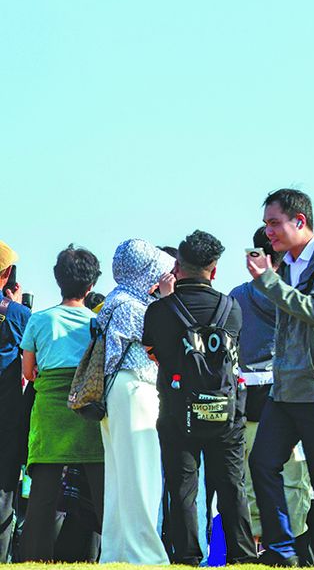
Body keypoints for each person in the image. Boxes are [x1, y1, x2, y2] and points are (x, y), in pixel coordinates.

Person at [247, 188, 314, 567]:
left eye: (274, 224)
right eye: (266, 225)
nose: (269, 233)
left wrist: (269, 282)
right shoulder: (286, 263)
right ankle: (282, 552)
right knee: (262, 462)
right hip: (285, 388)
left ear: (300, 221)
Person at [142, 231, 256, 565]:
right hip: (226, 409)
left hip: (178, 409)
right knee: (232, 485)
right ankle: (243, 556)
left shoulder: (160, 310)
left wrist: (167, 299)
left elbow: (153, 353)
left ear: (177, 266)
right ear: (215, 270)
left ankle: (187, 556)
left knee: (182, 488)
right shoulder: (231, 308)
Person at [18, 245, 105, 561]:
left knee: (43, 493)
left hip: (51, 411)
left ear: (57, 280)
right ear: (91, 284)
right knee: (100, 491)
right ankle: (110, 553)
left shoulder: (39, 320)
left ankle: (32, 558)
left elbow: (28, 371)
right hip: (87, 409)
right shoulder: (96, 323)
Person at [229, 227, 313, 549]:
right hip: (288, 396)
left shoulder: (237, 296)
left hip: (248, 397)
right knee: (292, 476)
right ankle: (292, 541)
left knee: (251, 477)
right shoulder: (295, 294)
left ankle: (259, 543)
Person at [96, 237, 175, 565]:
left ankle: (116, 553)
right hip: (135, 389)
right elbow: (168, 341)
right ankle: (146, 555)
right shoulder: (136, 307)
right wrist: (169, 301)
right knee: (142, 475)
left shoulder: (117, 300)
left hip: (117, 391)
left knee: (119, 480)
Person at [0, 240, 30, 561]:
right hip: (5, 413)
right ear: (7, 272)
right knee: (4, 489)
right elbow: (31, 363)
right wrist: (17, 306)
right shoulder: (17, 313)